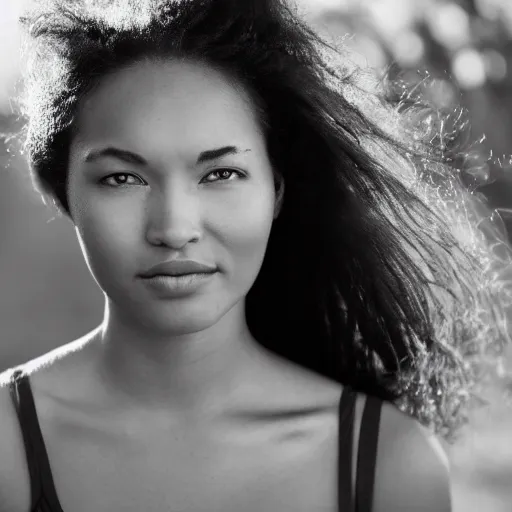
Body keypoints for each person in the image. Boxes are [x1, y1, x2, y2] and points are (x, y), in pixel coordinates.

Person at [1, 0, 511, 511]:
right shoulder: (8, 443)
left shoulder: (388, 464)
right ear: (64, 193)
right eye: (123, 178)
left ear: (278, 190)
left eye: (220, 174)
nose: (175, 230)